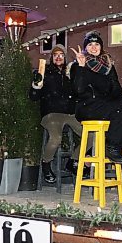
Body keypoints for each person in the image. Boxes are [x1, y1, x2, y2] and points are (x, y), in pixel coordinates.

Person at [70, 31, 122, 163]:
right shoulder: (78, 65)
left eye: (97, 44)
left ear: (101, 47)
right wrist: (81, 67)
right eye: (90, 45)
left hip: (106, 105)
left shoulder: (108, 66)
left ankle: (114, 146)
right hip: (88, 107)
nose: (94, 47)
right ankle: (111, 145)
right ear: (85, 48)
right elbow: (78, 90)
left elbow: (116, 90)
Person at [29, 44, 84, 184]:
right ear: (51, 57)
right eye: (55, 55)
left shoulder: (70, 73)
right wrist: (36, 85)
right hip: (51, 114)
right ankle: (46, 164)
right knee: (56, 138)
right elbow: (33, 96)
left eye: (61, 55)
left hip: (70, 114)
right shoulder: (45, 73)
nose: (58, 57)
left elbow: (81, 89)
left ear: (65, 57)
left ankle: (73, 161)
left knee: (92, 136)